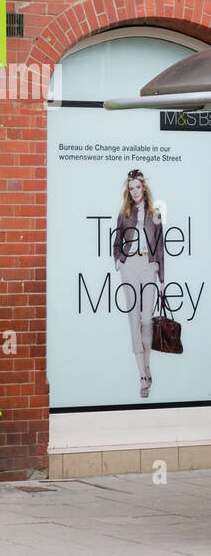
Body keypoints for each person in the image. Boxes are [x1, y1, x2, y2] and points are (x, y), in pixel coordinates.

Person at [112, 169, 165, 398]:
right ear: (129, 190)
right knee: (133, 318)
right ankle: (143, 375)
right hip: (130, 267)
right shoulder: (124, 213)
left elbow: (161, 248)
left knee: (146, 320)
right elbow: (117, 242)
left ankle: (146, 364)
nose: (134, 192)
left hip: (148, 266)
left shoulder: (155, 214)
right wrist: (119, 261)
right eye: (131, 188)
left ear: (144, 188)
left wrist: (161, 277)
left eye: (137, 187)